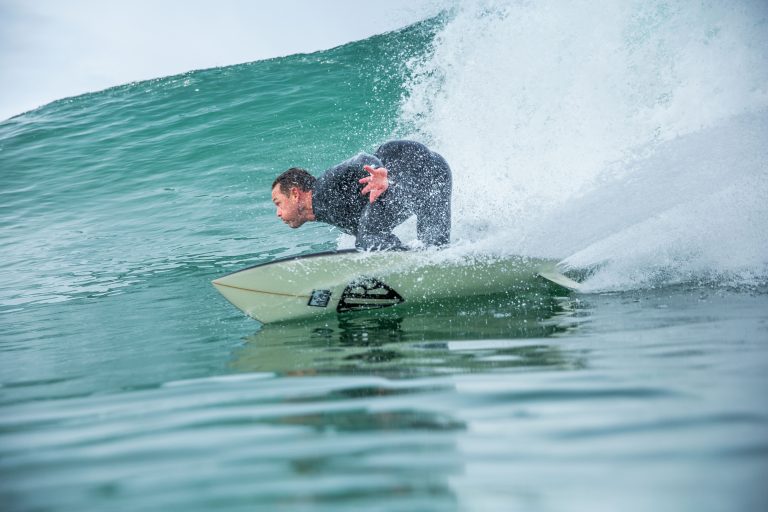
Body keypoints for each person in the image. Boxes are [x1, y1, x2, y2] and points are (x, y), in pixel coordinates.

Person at [271, 140, 452, 250]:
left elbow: (361, 159)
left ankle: (405, 268)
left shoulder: (324, 186)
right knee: (434, 250)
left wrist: (377, 173)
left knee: (368, 238)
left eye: (278, 203)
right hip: (437, 174)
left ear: (295, 194)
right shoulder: (329, 212)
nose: (278, 213)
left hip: (413, 163)